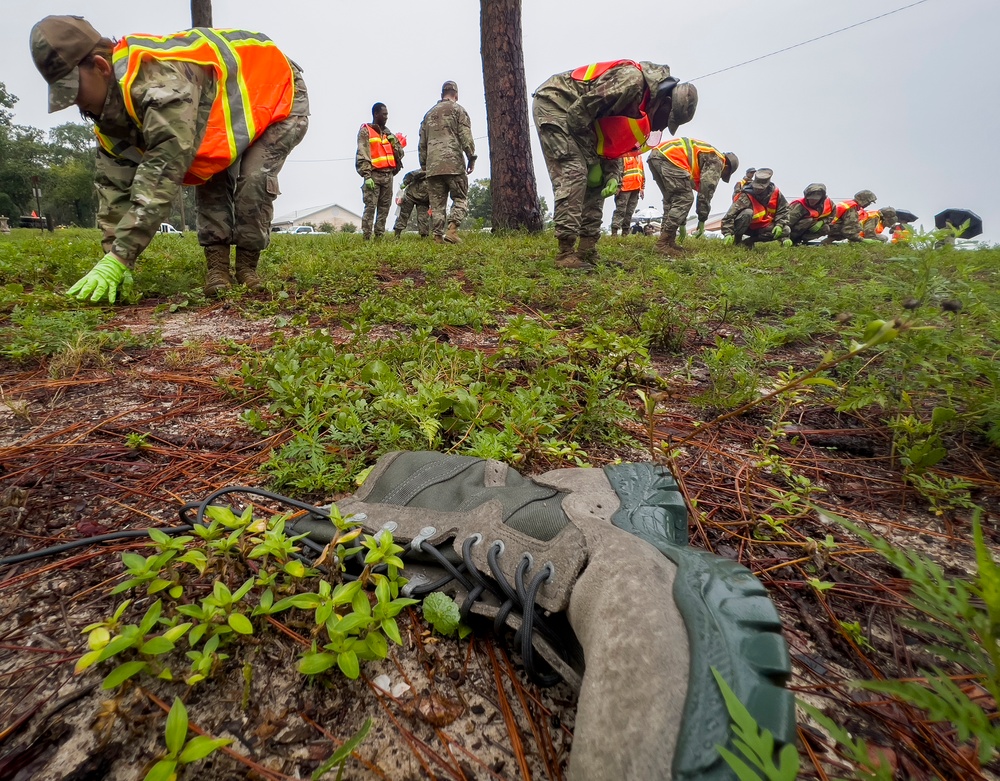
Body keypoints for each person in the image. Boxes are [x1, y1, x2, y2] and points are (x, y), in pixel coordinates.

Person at [30, 15, 309, 302]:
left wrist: (121, 257)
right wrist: (112, 258)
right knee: (210, 170)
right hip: (225, 103)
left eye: (75, 91)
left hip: (277, 89)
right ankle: (217, 268)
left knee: (253, 177)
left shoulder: (163, 86)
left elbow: (161, 174)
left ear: (101, 67)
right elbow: (115, 187)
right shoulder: (110, 113)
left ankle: (248, 268)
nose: (75, 103)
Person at [532, 59, 698, 269]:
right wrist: (592, 162)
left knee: (598, 181)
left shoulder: (643, 104)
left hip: (585, 119)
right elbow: (577, 115)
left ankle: (587, 250)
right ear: (665, 104)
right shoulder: (631, 82)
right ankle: (565, 253)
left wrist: (612, 173)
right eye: (667, 120)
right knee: (574, 171)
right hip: (557, 105)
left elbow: (610, 137)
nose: (662, 125)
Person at [645, 137, 737, 257]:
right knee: (685, 198)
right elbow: (706, 190)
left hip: (657, 156)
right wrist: (702, 219)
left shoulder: (707, 155)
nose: (719, 177)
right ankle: (662, 243)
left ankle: (668, 241)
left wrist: (682, 222)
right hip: (671, 158)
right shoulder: (718, 160)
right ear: (727, 168)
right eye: (722, 175)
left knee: (671, 200)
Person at [418, 80, 476, 244]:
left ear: (441, 94)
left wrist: (424, 164)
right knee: (460, 198)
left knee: (437, 204)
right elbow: (466, 136)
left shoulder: (428, 114)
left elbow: (422, 143)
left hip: (432, 165)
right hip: (453, 163)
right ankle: (452, 230)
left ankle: (437, 237)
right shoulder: (458, 110)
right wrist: (471, 157)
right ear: (456, 94)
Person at [356, 102, 404, 241]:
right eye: (384, 114)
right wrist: (367, 175)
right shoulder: (366, 131)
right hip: (374, 175)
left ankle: (379, 236)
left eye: (387, 114)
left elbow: (400, 154)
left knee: (384, 208)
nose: (386, 117)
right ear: (376, 114)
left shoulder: (389, 134)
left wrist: (394, 143)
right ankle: (366, 237)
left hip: (388, 175)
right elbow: (362, 153)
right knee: (370, 207)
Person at [722, 168, 791, 247]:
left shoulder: (776, 194)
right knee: (747, 213)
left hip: (763, 227)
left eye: (760, 188)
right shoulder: (746, 195)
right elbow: (729, 215)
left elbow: (783, 210)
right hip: (746, 227)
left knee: (785, 230)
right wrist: (727, 233)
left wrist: (779, 224)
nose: (757, 190)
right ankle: (737, 241)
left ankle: (748, 242)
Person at [609, 153, 645, 236]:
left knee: (629, 212)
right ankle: (614, 232)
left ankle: (625, 232)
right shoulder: (624, 155)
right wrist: (618, 186)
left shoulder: (639, 156)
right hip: (624, 188)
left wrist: (642, 188)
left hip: (636, 188)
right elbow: (618, 171)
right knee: (620, 210)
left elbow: (642, 172)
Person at [392, 169, 430, 238]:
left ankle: (424, 237)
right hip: (410, 195)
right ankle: (397, 235)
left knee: (423, 218)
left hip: (424, 200)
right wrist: (405, 182)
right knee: (403, 215)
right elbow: (411, 174)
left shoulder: (440, 181)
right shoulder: (425, 171)